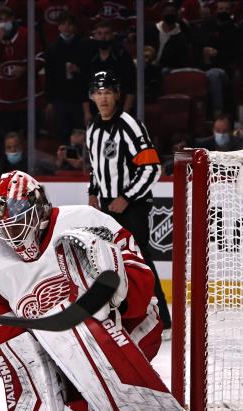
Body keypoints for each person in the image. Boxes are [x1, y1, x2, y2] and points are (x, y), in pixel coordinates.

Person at [0, 170, 207, 411]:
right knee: (42, 361)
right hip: (61, 351)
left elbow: (143, 283)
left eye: (18, 223)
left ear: (39, 210)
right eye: (5, 228)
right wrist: (35, 383)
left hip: (128, 327)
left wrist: (113, 282)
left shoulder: (85, 221)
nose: (12, 236)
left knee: (82, 333)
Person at [84, 70, 170, 335]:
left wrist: (127, 197)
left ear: (117, 95)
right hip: (107, 207)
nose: (103, 98)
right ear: (91, 97)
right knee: (108, 261)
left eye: (108, 92)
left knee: (140, 261)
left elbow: (152, 168)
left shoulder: (130, 125)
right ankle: (122, 315)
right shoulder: (93, 129)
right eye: (98, 93)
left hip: (132, 207)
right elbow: (96, 167)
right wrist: (93, 191)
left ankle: (163, 319)